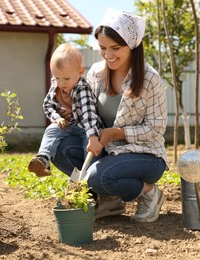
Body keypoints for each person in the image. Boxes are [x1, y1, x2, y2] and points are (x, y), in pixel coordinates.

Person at [51, 8, 169, 223]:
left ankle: (149, 191)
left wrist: (116, 133)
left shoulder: (150, 79)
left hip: (145, 155)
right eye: (103, 48)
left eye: (116, 48)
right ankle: (109, 200)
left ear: (131, 45)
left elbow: (156, 128)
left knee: (97, 176)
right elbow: (89, 112)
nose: (108, 55)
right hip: (106, 151)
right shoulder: (96, 73)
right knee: (59, 148)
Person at [28, 43, 103, 177]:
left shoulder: (82, 88)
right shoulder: (56, 85)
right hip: (68, 125)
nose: (61, 83)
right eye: (57, 78)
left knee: (90, 150)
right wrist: (57, 118)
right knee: (52, 129)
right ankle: (43, 159)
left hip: (86, 128)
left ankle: (89, 177)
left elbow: (88, 114)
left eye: (66, 78)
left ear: (80, 72)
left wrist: (92, 136)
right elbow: (47, 105)